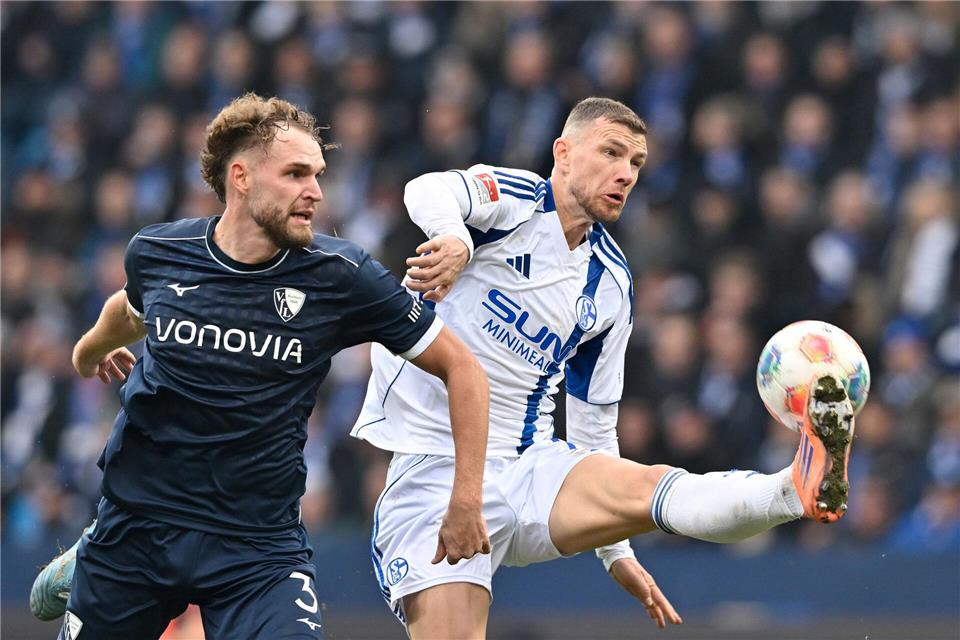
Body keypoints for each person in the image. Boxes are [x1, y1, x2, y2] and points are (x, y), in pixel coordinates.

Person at [350, 96, 857, 637]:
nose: (626, 174)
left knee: (656, 486)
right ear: (563, 153)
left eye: (636, 164)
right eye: (612, 153)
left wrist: (615, 551)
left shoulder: (611, 285)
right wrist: (452, 237)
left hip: (528, 466)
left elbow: (594, 429)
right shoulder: (514, 203)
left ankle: (794, 488)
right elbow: (425, 189)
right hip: (435, 469)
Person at [30, 93, 492, 640]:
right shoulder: (158, 252)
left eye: (317, 175)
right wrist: (87, 352)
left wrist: (466, 498)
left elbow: (463, 369)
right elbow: (128, 309)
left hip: (255, 547)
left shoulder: (341, 276)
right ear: (242, 177)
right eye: (296, 174)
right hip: (138, 528)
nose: (315, 192)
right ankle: (92, 553)